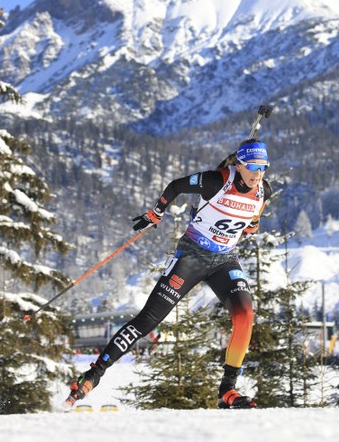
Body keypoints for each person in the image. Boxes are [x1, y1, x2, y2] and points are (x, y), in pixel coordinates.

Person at [68, 139, 273, 409]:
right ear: (241, 164)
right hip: (192, 255)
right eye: (254, 167)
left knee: (245, 315)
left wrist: (252, 224)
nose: (258, 174)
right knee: (148, 320)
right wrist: (156, 213)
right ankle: (93, 374)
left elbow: (251, 224)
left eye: (263, 168)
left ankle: (227, 391)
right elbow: (177, 186)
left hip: (225, 260)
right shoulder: (215, 180)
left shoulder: (263, 191)